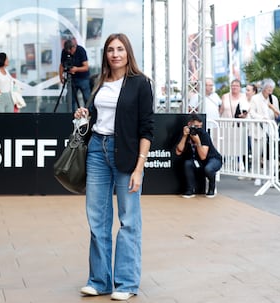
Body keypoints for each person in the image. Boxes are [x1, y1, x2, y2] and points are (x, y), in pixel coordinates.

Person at [73, 33, 154, 301]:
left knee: (129, 220)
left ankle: (127, 283)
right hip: (97, 149)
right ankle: (99, 280)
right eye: (110, 50)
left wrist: (139, 168)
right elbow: (99, 117)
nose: (115, 54)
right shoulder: (100, 82)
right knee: (97, 219)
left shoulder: (140, 83)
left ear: (128, 52)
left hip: (127, 155)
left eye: (120, 49)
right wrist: (86, 114)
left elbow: (147, 129)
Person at [175, 114, 222, 198]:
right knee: (187, 164)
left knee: (209, 168)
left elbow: (203, 156)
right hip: (198, 160)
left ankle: (212, 187)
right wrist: (185, 136)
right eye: (196, 126)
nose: (198, 129)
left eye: (200, 126)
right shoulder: (186, 133)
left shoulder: (204, 134)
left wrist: (198, 142)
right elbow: (178, 151)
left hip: (213, 158)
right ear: (189, 125)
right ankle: (190, 190)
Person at [249, 78, 279, 186]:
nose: (270, 90)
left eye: (271, 88)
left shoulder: (274, 99)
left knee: (270, 155)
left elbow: (276, 113)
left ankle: (269, 176)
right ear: (263, 88)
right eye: (268, 87)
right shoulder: (255, 98)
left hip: (270, 131)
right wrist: (262, 118)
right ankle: (257, 176)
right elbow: (251, 112)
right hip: (258, 130)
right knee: (257, 154)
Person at [59, 39, 91, 112]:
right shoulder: (64, 52)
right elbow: (61, 65)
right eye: (68, 51)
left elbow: (86, 67)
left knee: (87, 98)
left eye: (70, 51)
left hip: (83, 78)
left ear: (74, 47)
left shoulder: (81, 50)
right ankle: (72, 116)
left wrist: (76, 69)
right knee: (71, 99)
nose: (69, 53)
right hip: (72, 79)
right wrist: (61, 76)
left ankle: (89, 115)